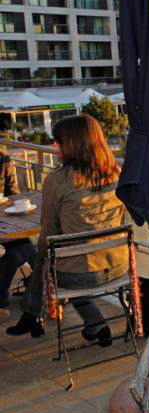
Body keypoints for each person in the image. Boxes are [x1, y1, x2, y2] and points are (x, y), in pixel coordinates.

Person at [6, 114, 127, 343]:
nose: (55, 146)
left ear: (72, 144)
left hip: (81, 275)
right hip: (118, 266)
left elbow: (48, 233)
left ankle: (34, 314)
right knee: (58, 256)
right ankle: (36, 315)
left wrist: (44, 253)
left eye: (58, 141)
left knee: (45, 255)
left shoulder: (58, 180)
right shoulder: (116, 174)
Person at [0, 149, 36, 324]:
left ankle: (41, 289)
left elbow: (14, 194)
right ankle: (47, 288)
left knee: (17, 252)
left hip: (3, 222)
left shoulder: (3, 158)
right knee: (21, 250)